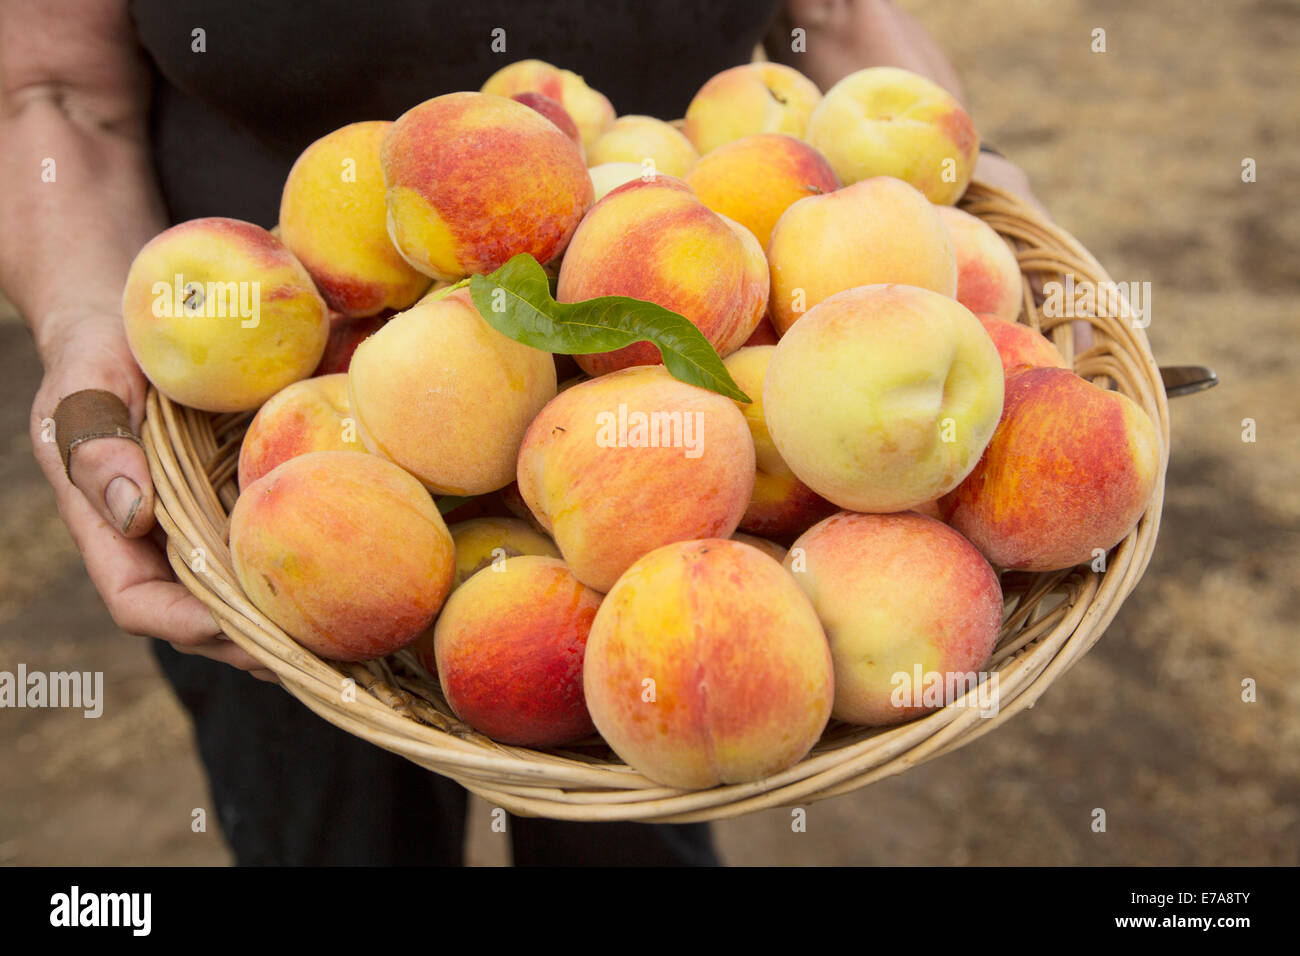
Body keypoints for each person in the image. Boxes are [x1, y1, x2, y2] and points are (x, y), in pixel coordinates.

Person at [0, 0, 1043, 865]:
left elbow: (838, 13)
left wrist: (987, 194)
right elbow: (48, 89)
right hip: (252, 422)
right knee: (323, 829)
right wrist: (83, 325)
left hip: (662, 282)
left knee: (639, 817)